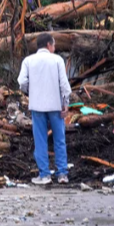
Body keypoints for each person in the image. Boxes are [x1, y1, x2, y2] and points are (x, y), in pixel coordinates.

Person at [18, 33, 72, 185]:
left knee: (40, 140)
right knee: (59, 139)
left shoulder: (28, 61)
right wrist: (65, 102)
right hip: (55, 106)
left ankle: (45, 175)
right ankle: (62, 174)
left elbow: (22, 82)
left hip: (37, 106)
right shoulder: (57, 60)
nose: (54, 48)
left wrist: (31, 91)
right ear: (49, 45)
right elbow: (64, 85)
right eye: (54, 45)